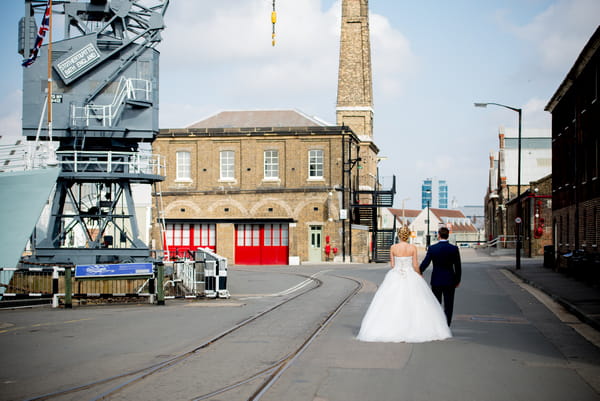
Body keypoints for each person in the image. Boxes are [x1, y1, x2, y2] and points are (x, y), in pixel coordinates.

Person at [357, 226, 452, 343]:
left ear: (398, 235)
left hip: (395, 275)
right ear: (408, 235)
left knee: (390, 302)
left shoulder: (393, 247)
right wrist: (419, 274)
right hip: (410, 274)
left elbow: (392, 264)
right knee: (416, 302)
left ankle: (391, 328)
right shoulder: (412, 248)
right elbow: (416, 265)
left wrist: (399, 268)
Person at [419, 227, 462, 326]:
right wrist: (457, 280)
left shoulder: (433, 248)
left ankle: (438, 324)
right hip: (450, 280)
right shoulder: (454, 249)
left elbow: (426, 263)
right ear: (448, 235)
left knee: (436, 303)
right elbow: (458, 266)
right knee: (449, 304)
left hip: (436, 280)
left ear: (439, 235)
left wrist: (419, 271)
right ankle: (447, 325)